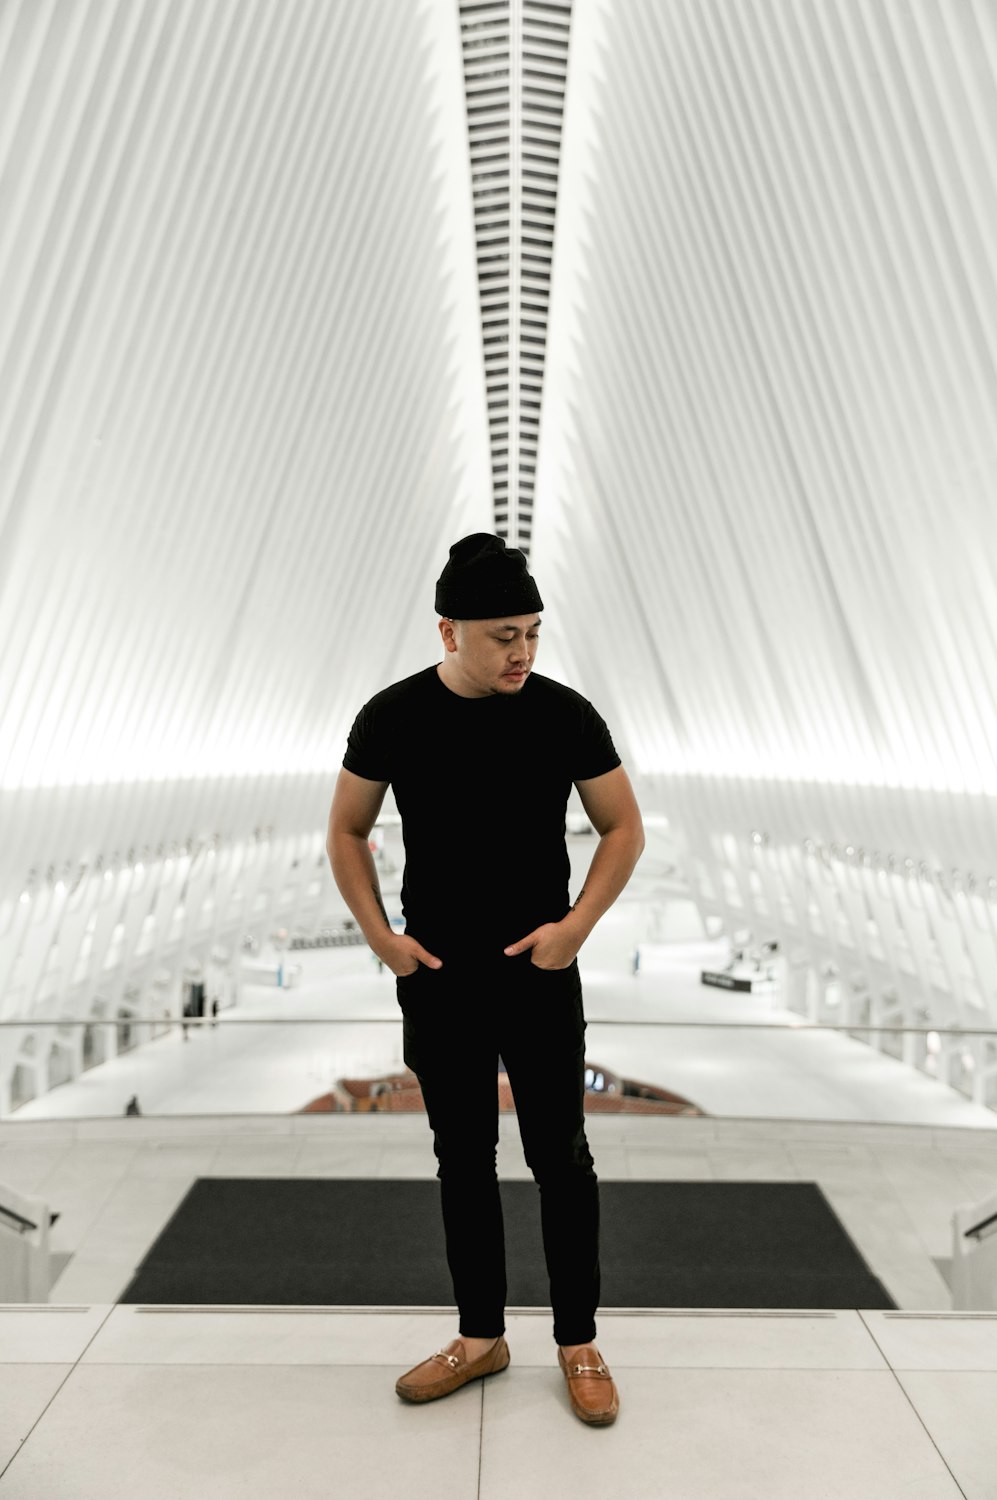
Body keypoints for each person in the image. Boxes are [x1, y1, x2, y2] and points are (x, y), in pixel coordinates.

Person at [327, 533, 645, 1425]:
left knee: (561, 1160)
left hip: (541, 975)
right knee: (461, 1161)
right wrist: (383, 939)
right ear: (448, 630)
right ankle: (480, 1337)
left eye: (534, 633)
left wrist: (574, 930)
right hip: (436, 977)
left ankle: (578, 1342)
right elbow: (346, 830)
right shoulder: (391, 716)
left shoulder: (565, 715)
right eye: (505, 635)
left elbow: (623, 827)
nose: (523, 653)